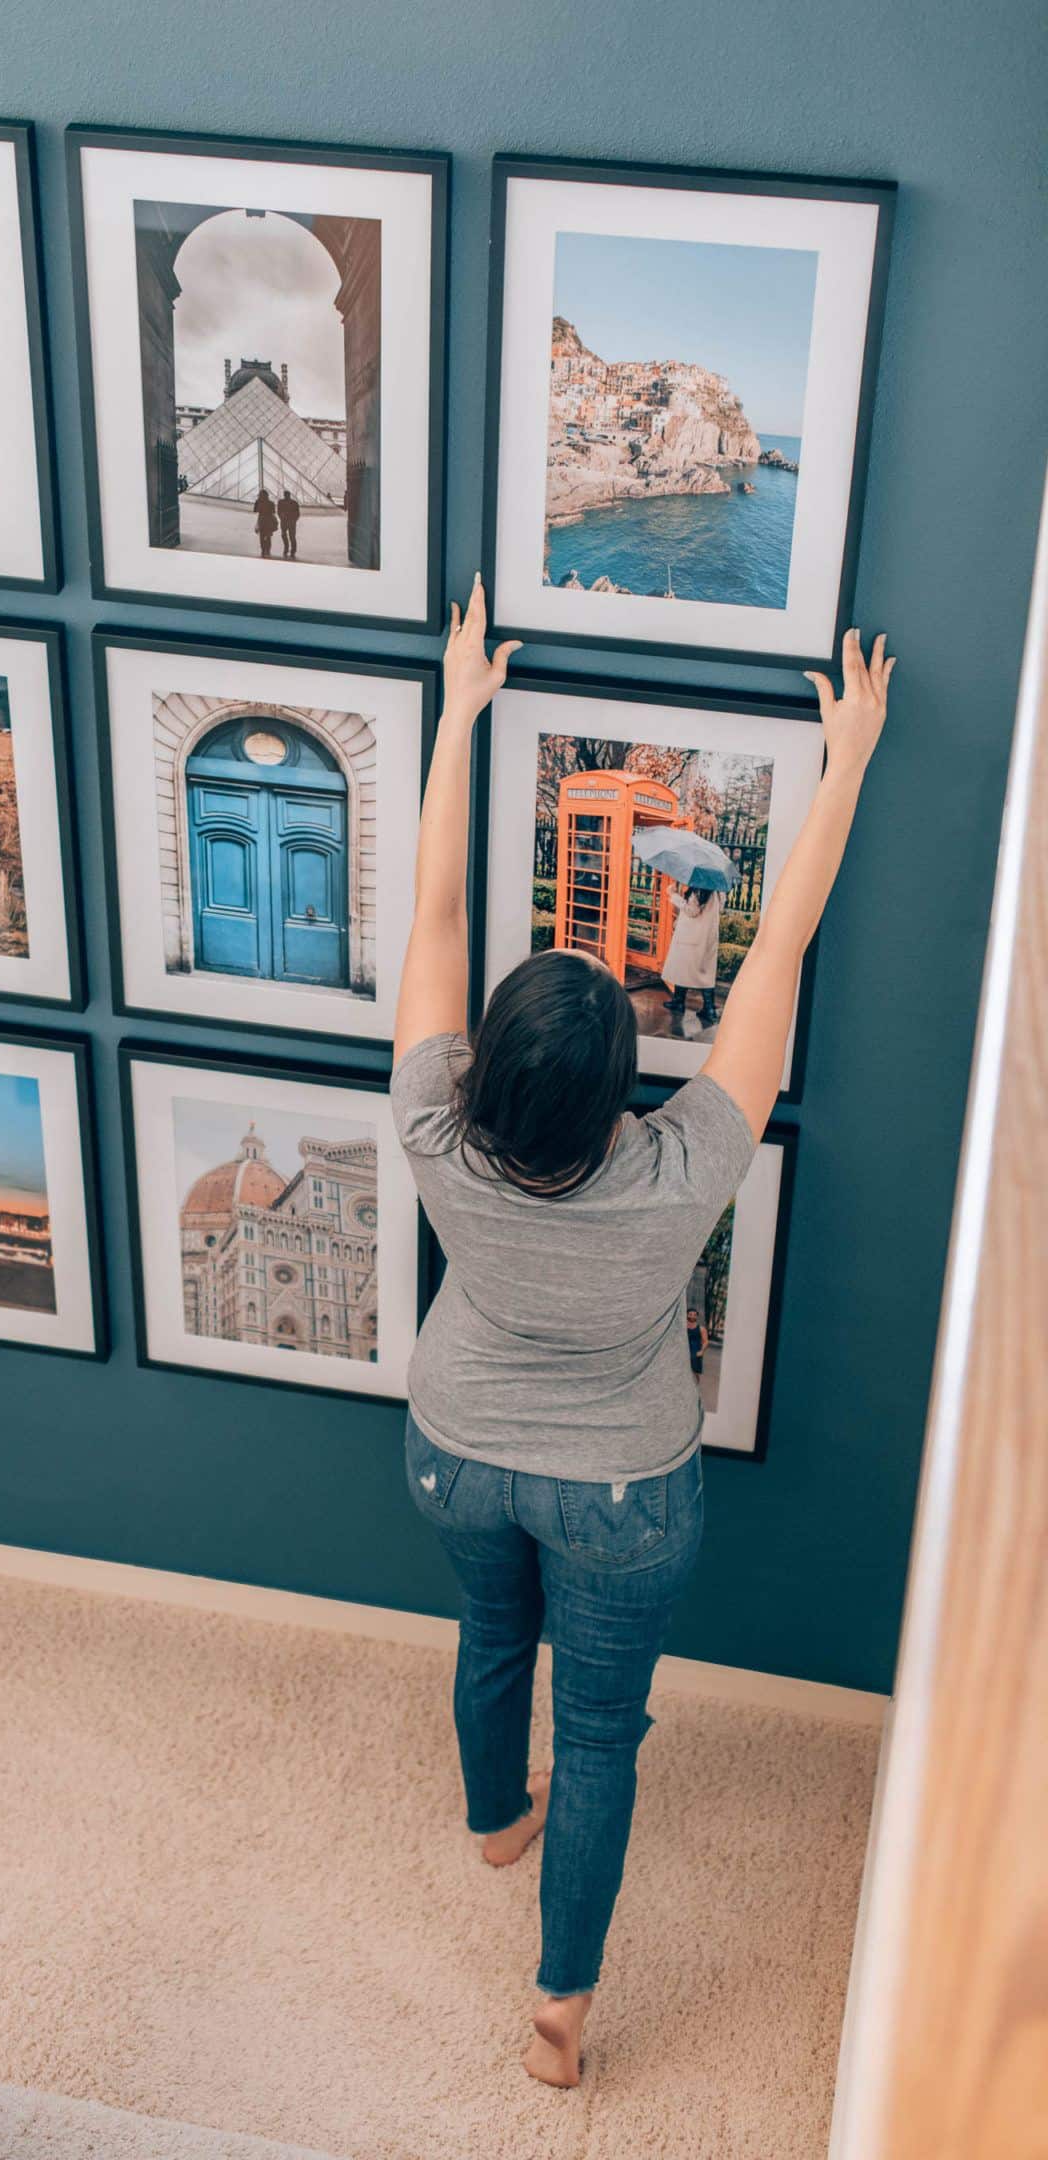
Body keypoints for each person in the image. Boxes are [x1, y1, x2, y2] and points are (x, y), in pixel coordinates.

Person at [392, 576, 894, 2089]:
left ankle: (495, 1823)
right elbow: (777, 955)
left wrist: (458, 716)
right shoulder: (684, 1168)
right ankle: (560, 2013)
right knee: (602, 1735)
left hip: (454, 1452)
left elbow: (433, 914)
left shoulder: (430, 1128)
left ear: (486, 1063)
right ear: (624, 1088)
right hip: (622, 1487)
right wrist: (848, 760)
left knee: (493, 1633)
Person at [662, 880, 723, 1027]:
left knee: (682, 966)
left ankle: (679, 1002)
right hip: (707, 938)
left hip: (691, 937)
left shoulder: (700, 888)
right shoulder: (717, 890)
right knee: (705, 971)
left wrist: (673, 895)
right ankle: (708, 1009)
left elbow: (692, 911)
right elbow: (719, 909)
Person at [253, 487, 277, 559]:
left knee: (262, 537)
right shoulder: (271, 503)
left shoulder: (259, 503)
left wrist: (257, 503)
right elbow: (273, 512)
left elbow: (255, 511)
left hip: (262, 521)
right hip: (269, 521)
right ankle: (267, 550)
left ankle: (263, 550)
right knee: (268, 536)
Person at [277, 488, 300, 559]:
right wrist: (294, 520)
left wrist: (282, 517)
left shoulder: (281, 502)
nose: (286, 496)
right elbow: (297, 513)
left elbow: (279, 512)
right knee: (291, 536)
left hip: (286, 521)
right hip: (289, 522)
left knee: (286, 536)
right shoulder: (294, 503)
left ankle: (287, 549)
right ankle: (292, 551)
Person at [686, 1306, 705, 1381]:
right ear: (687, 1315)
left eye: (694, 1315)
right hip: (685, 1350)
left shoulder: (701, 1329)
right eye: (690, 1314)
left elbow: (706, 1341)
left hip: (695, 1351)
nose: (692, 1316)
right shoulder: (683, 1328)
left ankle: (696, 1385)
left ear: (697, 1316)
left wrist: (702, 1351)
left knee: (695, 1373)